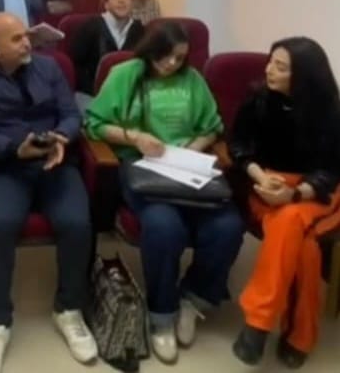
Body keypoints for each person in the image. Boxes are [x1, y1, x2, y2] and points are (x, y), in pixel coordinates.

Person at [85, 22, 244, 365]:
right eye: (166, 56)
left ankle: (193, 298)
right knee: (164, 226)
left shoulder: (193, 80)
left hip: (187, 167)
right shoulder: (126, 74)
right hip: (143, 170)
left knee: (228, 225)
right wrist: (135, 137)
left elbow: (212, 126)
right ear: (151, 49)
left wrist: (192, 148)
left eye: (180, 58)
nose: (172, 64)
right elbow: (94, 123)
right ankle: (162, 315)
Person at [0, 12, 97, 373]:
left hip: (56, 163)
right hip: (9, 166)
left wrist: (62, 137)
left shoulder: (49, 67)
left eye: (26, 36)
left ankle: (69, 309)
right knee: (1, 224)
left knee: (77, 224)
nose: (26, 43)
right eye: (17, 39)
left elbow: (71, 114)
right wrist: (12, 149)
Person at [230, 37, 340, 369]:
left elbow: (332, 170)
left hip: (316, 194)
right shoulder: (258, 98)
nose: (268, 70)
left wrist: (295, 194)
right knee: (303, 247)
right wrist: (259, 177)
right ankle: (300, 336)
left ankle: (258, 323)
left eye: (280, 67)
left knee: (290, 220)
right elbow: (238, 145)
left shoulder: (330, 111)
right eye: (270, 62)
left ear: (303, 75)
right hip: (268, 185)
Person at [69, 0, 145, 113]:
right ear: (106, 4)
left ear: (132, 4)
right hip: (92, 92)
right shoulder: (90, 26)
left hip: (127, 93)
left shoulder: (139, 29)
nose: (121, 0)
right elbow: (77, 66)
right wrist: (99, 93)